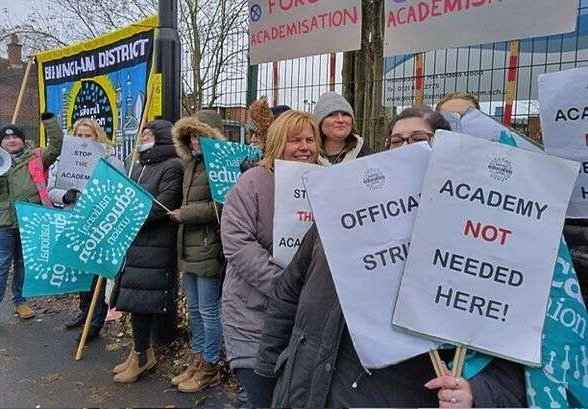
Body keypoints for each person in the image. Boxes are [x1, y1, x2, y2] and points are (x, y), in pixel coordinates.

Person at [255, 106, 527, 407]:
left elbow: (507, 353)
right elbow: (287, 294)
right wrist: (267, 376)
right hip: (306, 392)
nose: (404, 149)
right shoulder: (340, 212)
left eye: (418, 139)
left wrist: (476, 394)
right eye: (396, 141)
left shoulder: (471, 239)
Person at [221, 110, 320, 408]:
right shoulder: (252, 182)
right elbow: (237, 243)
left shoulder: (327, 182)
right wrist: (285, 286)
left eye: (310, 139)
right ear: (278, 143)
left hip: (303, 322)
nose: (305, 146)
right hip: (253, 318)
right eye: (295, 140)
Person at [110, 119, 184, 383]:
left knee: (142, 303)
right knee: (133, 301)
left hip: (155, 244)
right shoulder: (139, 166)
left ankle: (142, 357)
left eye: (149, 133)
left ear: (163, 137)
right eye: (142, 134)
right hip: (136, 244)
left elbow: (164, 204)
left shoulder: (172, 166)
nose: (143, 137)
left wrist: (127, 215)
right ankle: (140, 352)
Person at [0, 112, 63, 325]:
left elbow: (57, 144)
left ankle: (20, 302)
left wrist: (49, 121)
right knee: (0, 265)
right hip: (1, 223)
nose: (11, 140)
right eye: (6, 138)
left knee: (22, 264)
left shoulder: (37, 157)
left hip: (28, 220)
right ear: (1, 143)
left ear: (22, 140)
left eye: (15, 137)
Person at [47, 118, 124, 341]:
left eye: (87, 135)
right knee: (80, 270)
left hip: (99, 222)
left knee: (94, 273)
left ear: (97, 136)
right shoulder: (64, 160)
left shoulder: (110, 160)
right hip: (75, 220)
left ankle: (95, 320)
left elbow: (120, 187)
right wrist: (64, 196)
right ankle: (84, 311)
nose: (82, 140)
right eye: (78, 135)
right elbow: (51, 189)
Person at [169, 111, 225, 393]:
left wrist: (185, 214)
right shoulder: (191, 164)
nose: (194, 141)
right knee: (194, 309)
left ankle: (210, 366)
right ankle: (197, 358)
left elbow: (222, 207)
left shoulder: (220, 164)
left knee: (208, 310)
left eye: (199, 135)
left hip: (208, 247)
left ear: (211, 135)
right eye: (190, 136)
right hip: (188, 247)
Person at [313, 92, 373, 165]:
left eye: (345, 114)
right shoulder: (307, 157)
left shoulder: (368, 157)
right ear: (319, 123)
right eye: (332, 115)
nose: (340, 120)